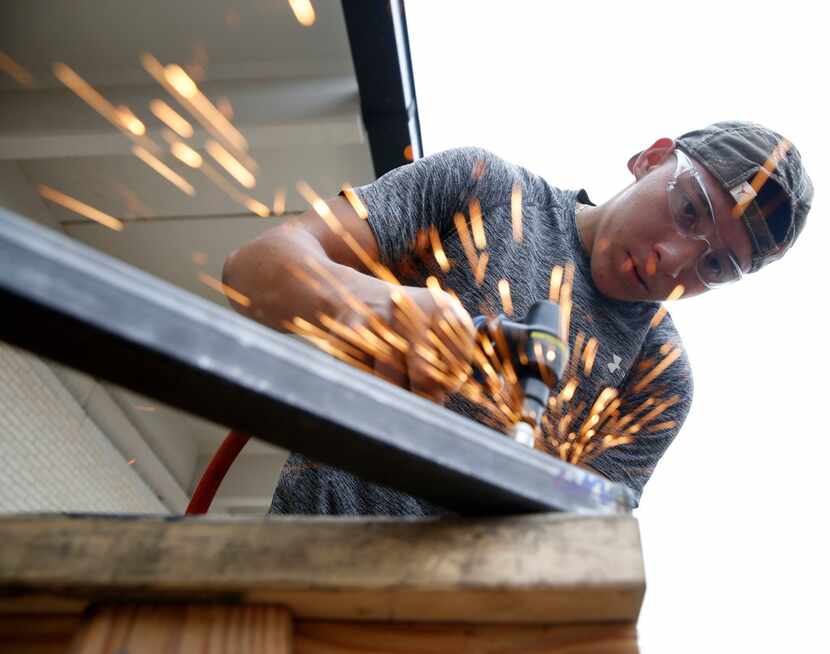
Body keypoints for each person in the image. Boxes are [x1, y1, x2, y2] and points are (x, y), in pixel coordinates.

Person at [223, 121, 813, 516]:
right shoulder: (483, 191)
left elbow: (578, 543)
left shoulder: (657, 379)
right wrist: (381, 309)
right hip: (305, 568)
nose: (675, 261)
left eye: (716, 264)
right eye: (689, 210)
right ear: (651, 158)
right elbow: (256, 268)